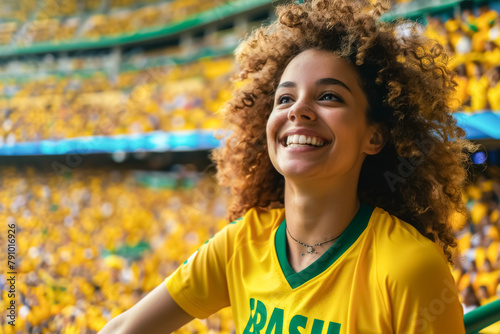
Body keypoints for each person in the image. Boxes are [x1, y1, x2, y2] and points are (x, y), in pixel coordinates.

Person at [98, 0, 476, 333]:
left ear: (374, 137)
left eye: (329, 96)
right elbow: (125, 328)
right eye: (285, 98)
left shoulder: (411, 267)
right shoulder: (240, 243)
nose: (298, 110)